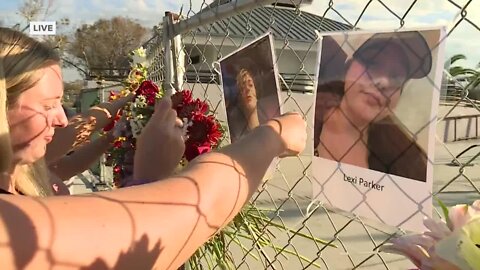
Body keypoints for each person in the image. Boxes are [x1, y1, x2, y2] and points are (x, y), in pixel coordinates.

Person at [0, 26, 307, 269]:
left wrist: (111, 127)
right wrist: (272, 135)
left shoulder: (19, 173)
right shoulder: (9, 231)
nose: (63, 119)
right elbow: (188, 213)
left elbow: (60, 159)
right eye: (49, 104)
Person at [314, 31, 432, 182]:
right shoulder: (307, 121)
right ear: (348, 68)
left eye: (397, 77)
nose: (384, 82)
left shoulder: (408, 161)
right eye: (372, 63)